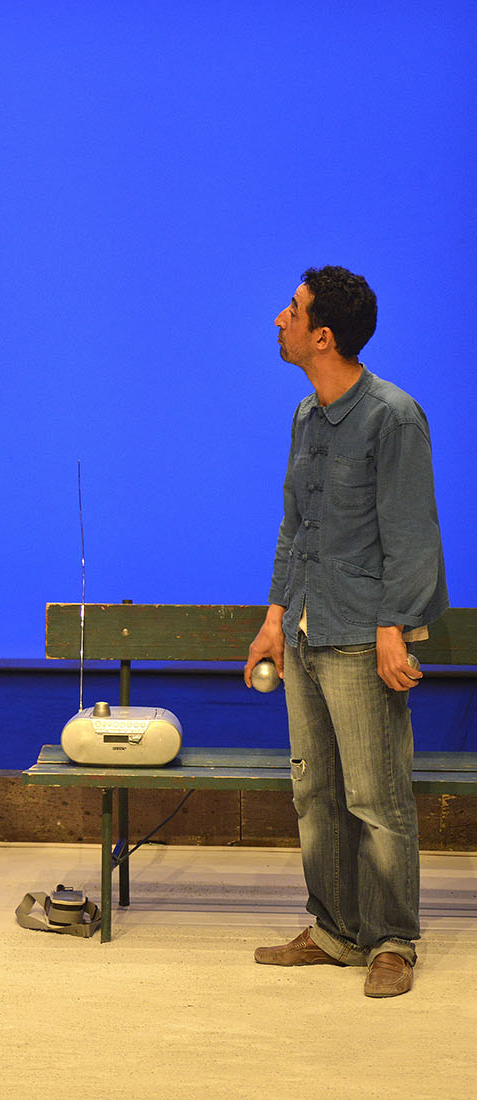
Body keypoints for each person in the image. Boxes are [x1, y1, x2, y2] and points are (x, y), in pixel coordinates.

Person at [246, 266, 446, 998]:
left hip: (361, 636)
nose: (280, 319)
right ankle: (335, 930)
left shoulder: (393, 418)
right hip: (306, 632)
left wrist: (394, 627)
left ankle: (391, 941)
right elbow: (294, 527)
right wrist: (274, 619)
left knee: (376, 797)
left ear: (323, 335)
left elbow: (413, 536)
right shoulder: (306, 415)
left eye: (293, 311)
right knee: (315, 793)